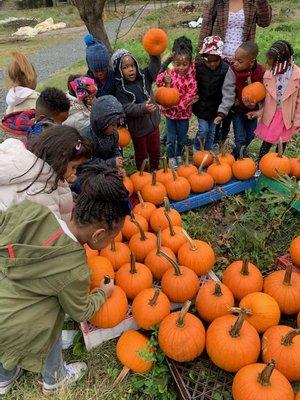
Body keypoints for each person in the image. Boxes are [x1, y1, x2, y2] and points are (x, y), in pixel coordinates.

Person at [0, 165, 130, 396]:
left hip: (5, 301)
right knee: (48, 322)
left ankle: (5, 377)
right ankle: (54, 380)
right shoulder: (74, 268)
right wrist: (102, 293)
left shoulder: (35, 212)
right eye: (113, 236)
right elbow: (80, 311)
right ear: (99, 235)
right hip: (20, 325)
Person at [0, 125, 91, 222]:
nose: (75, 171)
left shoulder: (23, 165)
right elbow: (51, 229)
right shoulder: (41, 193)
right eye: (74, 167)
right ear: (61, 160)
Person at [113, 48, 161, 171]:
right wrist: (143, 108)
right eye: (125, 67)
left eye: (132, 65)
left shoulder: (144, 77)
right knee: (142, 155)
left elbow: (154, 68)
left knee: (155, 151)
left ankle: (155, 171)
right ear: (119, 71)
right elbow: (127, 108)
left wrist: (154, 54)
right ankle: (143, 174)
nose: (131, 69)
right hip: (138, 130)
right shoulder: (121, 89)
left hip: (153, 125)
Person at [251, 41, 299, 160]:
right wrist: (258, 111)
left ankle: (278, 165)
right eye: (269, 65)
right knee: (267, 143)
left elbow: (299, 101)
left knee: (282, 143)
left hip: (287, 116)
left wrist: (298, 121)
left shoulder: (297, 76)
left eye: (274, 66)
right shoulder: (269, 75)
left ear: (286, 62)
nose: (271, 68)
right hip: (271, 115)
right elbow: (265, 99)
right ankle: (260, 164)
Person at [217, 41, 265, 158]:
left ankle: (239, 151)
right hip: (237, 111)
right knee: (239, 137)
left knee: (250, 135)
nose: (235, 63)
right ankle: (238, 158)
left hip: (252, 112)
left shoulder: (261, 71)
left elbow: (265, 92)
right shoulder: (233, 71)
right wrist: (222, 112)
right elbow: (228, 92)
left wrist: (258, 106)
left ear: (251, 61)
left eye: (240, 61)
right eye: (234, 59)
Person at [156, 37, 197, 168]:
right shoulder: (171, 73)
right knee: (170, 139)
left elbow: (190, 95)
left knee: (182, 138)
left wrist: (176, 105)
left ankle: (179, 154)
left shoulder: (191, 78)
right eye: (178, 64)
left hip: (183, 115)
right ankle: (171, 156)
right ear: (173, 63)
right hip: (170, 115)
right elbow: (158, 82)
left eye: (184, 64)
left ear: (190, 63)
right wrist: (164, 77)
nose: (181, 67)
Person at [193, 36, 235, 151]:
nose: (212, 64)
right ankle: (196, 148)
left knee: (211, 132)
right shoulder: (198, 67)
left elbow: (229, 89)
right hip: (201, 106)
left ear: (220, 57)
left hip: (216, 107)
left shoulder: (226, 69)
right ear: (204, 58)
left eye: (215, 61)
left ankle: (207, 151)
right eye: (209, 61)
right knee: (203, 130)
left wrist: (222, 111)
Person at [199, 0, 272, 62]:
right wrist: (200, 57)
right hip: (218, 58)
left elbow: (264, 22)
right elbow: (205, 28)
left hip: (242, 60)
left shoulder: (252, 2)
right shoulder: (218, 2)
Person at [2, 87, 70, 139]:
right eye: (59, 123)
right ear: (42, 119)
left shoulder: (41, 129)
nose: (62, 126)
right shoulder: (31, 142)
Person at [82, 95, 124, 170]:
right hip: (92, 172)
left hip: (107, 167)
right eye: (113, 125)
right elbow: (87, 162)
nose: (115, 129)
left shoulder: (114, 134)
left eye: (117, 124)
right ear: (102, 123)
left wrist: (118, 158)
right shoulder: (86, 138)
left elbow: (115, 148)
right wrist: (111, 163)